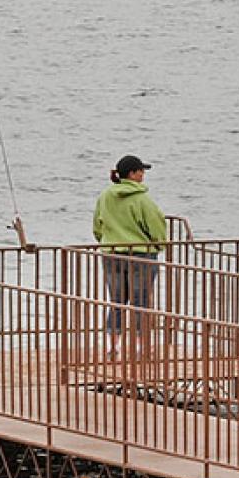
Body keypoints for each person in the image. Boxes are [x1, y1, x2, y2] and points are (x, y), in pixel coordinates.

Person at [91, 154, 165, 360]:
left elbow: (97, 225)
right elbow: (156, 226)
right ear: (132, 174)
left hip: (111, 253)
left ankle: (112, 348)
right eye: (141, 171)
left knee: (116, 301)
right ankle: (143, 349)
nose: (143, 175)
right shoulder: (142, 199)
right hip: (140, 255)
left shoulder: (105, 196)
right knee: (141, 302)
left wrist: (106, 241)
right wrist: (158, 245)